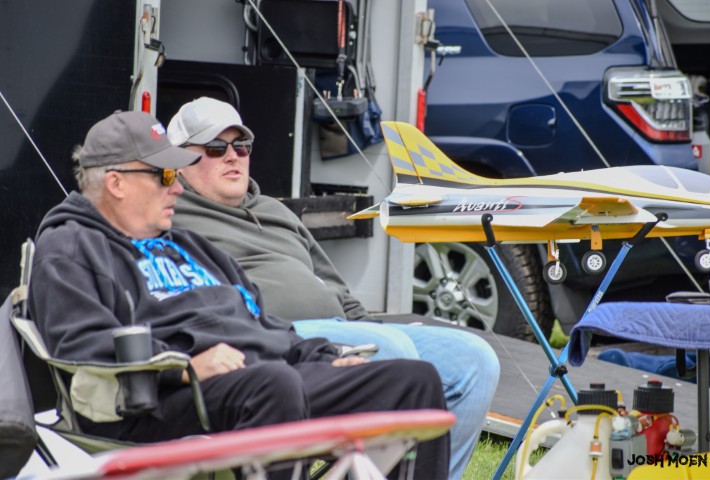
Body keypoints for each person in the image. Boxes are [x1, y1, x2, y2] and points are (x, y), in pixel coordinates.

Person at [28, 110, 450, 480]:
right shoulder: (72, 245)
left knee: (413, 382)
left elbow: (262, 324)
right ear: (116, 183)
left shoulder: (190, 246)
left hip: (258, 381)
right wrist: (184, 367)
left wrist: (321, 356)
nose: (177, 188)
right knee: (274, 385)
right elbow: (81, 343)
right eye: (166, 175)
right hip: (154, 402)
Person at [168, 97, 501, 480]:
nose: (233, 156)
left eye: (241, 146)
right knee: (395, 353)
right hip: (274, 338)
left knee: (476, 359)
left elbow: (334, 286)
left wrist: (370, 326)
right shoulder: (173, 215)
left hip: (339, 329)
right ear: (180, 160)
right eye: (215, 148)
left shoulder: (275, 211)